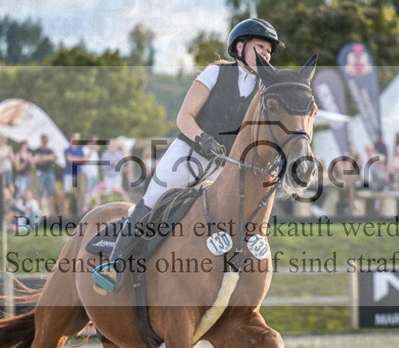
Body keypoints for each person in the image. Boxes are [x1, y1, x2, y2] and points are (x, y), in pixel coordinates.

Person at [93, 17, 284, 291]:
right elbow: (184, 117)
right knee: (154, 199)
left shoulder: (265, 89)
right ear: (240, 47)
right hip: (190, 153)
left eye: (269, 50)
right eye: (261, 47)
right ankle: (114, 265)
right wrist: (202, 139)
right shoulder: (215, 73)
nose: (266, 54)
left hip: (226, 165)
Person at [34, 133, 63, 218]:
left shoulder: (50, 150)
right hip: (41, 173)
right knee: (40, 192)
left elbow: (54, 157)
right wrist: (48, 157)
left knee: (51, 193)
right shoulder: (37, 150)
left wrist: (44, 157)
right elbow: (38, 160)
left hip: (49, 172)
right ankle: (40, 213)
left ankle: (52, 213)